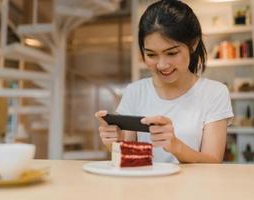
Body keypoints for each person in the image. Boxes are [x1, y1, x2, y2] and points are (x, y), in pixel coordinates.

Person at [95, 0, 234, 163]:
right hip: (143, 187)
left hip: (195, 188)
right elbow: (128, 157)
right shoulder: (135, 92)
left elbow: (213, 162)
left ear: (193, 44)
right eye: (151, 55)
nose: (162, 65)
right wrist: (115, 142)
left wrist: (176, 146)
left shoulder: (214, 93)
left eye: (172, 53)